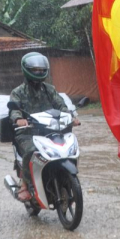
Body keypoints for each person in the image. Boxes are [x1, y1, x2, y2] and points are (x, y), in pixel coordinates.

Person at [9, 52, 75, 201]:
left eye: (41, 69)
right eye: (35, 70)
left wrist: (71, 117)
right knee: (32, 151)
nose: (38, 72)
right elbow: (14, 109)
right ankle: (25, 184)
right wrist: (18, 119)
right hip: (27, 132)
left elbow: (61, 104)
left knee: (66, 148)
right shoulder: (18, 92)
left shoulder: (50, 89)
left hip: (50, 130)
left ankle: (63, 177)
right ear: (27, 69)